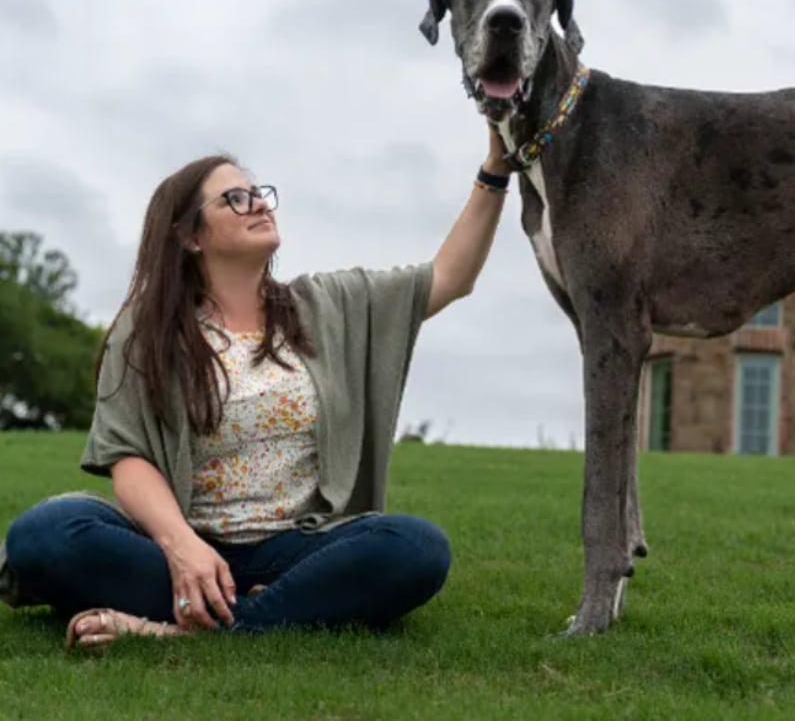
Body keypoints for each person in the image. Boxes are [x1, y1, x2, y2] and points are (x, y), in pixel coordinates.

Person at [0, 124, 514, 650]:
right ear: (190, 235)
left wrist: (495, 168)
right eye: (234, 199)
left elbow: (449, 277)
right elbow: (128, 458)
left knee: (415, 546)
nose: (258, 205)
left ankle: (185, 629)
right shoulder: (146, 328)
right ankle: (259, 609)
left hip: (297, 548)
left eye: (259, 193)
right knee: (43, 534)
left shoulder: (328, 305)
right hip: (178, 546)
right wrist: (183, 549)